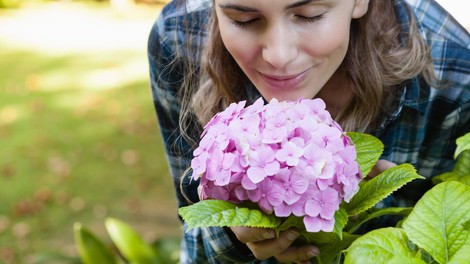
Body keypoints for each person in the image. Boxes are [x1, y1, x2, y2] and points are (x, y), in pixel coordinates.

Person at [148, 0, 470, 263]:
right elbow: (193, 221)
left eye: (308, 15)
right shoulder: (178, 40)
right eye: (243, 18)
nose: (279, 55)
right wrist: (229, 235)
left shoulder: (455, 75)